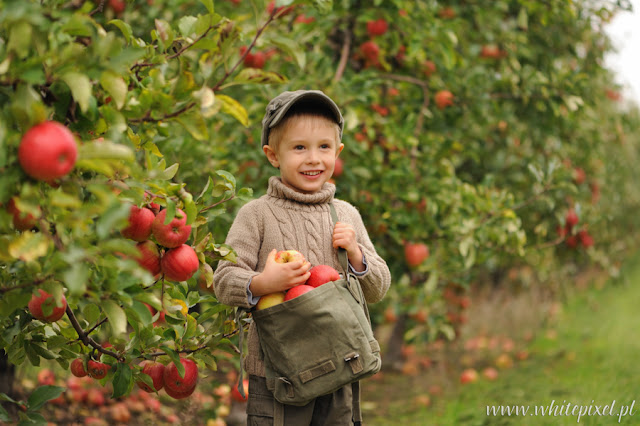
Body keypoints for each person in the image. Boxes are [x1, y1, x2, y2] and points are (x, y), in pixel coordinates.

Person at [214, 89, 391, 425]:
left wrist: (356, 254)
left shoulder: (346, 215)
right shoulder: (257, 215)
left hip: (342, 365)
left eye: (324, 147)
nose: (313, 158)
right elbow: (223, 280)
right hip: (278, 374)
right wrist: (264, 283)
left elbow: (378, 288)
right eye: (299, 147)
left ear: (337, 152)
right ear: (272, 155)